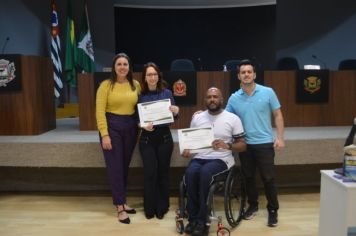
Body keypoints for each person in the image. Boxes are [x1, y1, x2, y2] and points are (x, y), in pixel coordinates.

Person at [225, 59, 285, 227]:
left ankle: (273, 210)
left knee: (269, 178)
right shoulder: (234, 98)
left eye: (249, 72)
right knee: (248, 177)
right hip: (245, 145)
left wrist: (280, 137)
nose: (246, 74)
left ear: (254, 74)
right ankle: (253, 206)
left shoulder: (268, 92)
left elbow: (278, 115)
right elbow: (225, 117)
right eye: (243, 72)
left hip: (265, 143)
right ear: (239, 76)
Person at [182, 87, 246, 236]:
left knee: (205, 173)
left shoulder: (232, 118)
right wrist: (187, 150)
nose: (212, 99)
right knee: (190, 173)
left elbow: (242, 145)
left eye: (215, 97)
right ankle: (192, 219)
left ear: (221, 99)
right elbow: (191, 143)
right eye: (209, 97)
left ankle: (203, 221)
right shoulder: (197, 118)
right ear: (205, 100)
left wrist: (227, 145)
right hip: (200, 158)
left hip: (221, 159)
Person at [96, 53, 141, 224]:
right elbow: (99, 111)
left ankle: (123, 200)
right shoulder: (105, 86)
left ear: (129, 67)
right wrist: (104, 134)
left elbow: (141, 107)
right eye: (119, 64)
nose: (122, 67)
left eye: (125, 64)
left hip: (130, 127)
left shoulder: (135, 84)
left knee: (123, 166)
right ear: (114, 67)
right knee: (115, 167)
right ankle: (120, 207)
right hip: (111, 126)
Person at [138, 62, 179, 220]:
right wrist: (142, 125)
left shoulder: (167, 93)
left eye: (154, 74)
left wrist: (176, 111)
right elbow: (136, 119)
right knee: (149, 173)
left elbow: (174, 116)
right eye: (149, 74)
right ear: (145, 77)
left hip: (164, 138)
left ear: (158, 76)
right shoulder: (140, 95)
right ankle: (150, 207)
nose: (152, 77)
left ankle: (162, 206)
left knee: (163, 173)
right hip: (147, 139)